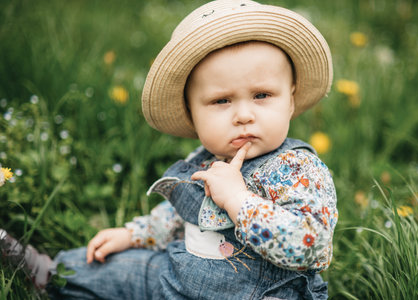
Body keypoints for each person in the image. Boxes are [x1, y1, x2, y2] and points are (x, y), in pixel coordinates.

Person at [1, 0, 338, 299]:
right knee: (119, 266)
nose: (244, 115)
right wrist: (134, 234)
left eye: (262, 95)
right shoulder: (202, 162)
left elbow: (308, 245)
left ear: (291, 100)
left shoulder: (297, 170)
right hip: (175, 281)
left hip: (265, 293)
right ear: (192, 114)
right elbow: (178, 216)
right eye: (221, 100)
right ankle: (48, 273)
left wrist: (238, 200)